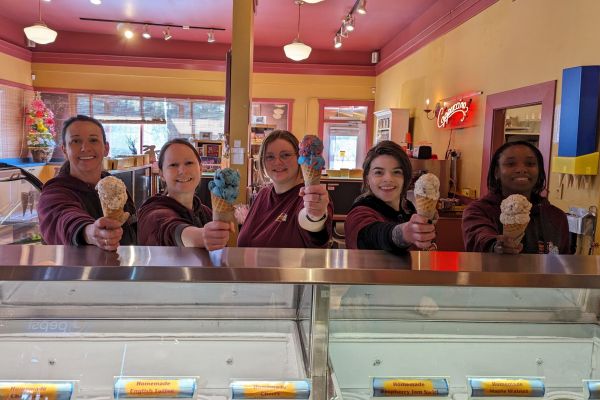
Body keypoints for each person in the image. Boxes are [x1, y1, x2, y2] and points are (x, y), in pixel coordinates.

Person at [38, 115, 136, 250]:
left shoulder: (115, 187)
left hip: (122, 268)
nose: (85, 148)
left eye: (93, 140)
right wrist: (90, 232)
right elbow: (64, 218)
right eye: (76, 141)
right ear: (65, 150)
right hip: (77, 270)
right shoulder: (54, 192)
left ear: (106, 148)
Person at [462, 140, 570, 254]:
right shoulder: (478, 211)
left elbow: (562, 261)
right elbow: (479, 238)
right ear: (496, 172)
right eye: (510, 164)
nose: (521, 169)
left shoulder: (556, 217)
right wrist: (496, 246)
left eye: (530, 164)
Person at [237, 130, 333, 248]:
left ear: (299, 158)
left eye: (285, 155)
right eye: (270, 157)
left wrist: (315, 214)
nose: (277, 162)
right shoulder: (263, 194)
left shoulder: (309, 197)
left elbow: (312, 224)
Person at [137, 138, 232, 249]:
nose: (182, 170)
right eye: (173, 165)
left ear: (200, 169)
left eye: (189, 163)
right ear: (162, 174)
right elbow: (170, 230)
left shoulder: (206, 213)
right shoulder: (153, 214)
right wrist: (202, 236)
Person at [344, 141, 436, 251]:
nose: (388, 179)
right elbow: (372, 236)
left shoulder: (409, 208)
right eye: (378, 172)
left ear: (405, 178)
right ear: (367, 178)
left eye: (396, 172)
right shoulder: (359, 213)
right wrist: (404, 233)